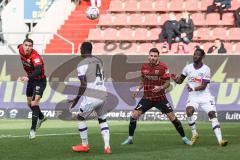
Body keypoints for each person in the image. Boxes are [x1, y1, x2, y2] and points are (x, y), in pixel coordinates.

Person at [121, 48, 192, 146]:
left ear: (158, 57)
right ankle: (130, 139)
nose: (153, 58)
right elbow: (142, 81)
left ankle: (184, 138)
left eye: (155, 56)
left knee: (173, 117)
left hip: (160, 98)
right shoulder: (144, 67)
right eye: (151, 56)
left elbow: (168, 83)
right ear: (148, 56)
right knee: (134, 115)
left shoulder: (163, 67)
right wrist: (137, 90)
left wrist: (161, 87)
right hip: (147, 98)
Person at [171, 48, 228, 147]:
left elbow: (204, 86)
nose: (195, 56)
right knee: (189, 111)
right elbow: (180, 81)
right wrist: (176, 79)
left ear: (202, 57)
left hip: (205, 96)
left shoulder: (206, 69)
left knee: (212, 114)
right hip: (193, 97)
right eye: (194, 54)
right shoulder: (187, 68)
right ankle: (194, 134)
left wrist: (192, 88)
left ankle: (220, 140)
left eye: (198, 55)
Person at [69, 42, 111, 154]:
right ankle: (107, 146)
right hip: (103, 94)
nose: (80, 51)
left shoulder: (82, 64)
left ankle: (84, 145)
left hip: (92, 97)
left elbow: (83, 84)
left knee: (80, 118)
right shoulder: (98, 61)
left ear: (83, 49)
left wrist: (76, 99)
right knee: (102, 119)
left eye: (80, 48)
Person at [18, 38, 47, 140]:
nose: (27, 47)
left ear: (32, 47)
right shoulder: (20, 49)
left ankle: (33, 130)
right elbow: (18, 46)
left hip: (40, 80)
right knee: (29, 104)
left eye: (30, 46)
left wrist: (28, 77)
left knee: (34, 103)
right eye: (26, 45)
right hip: (31, 81)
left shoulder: (35, 56)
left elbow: (39, 70)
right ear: (23, 45)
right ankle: (41, 117)